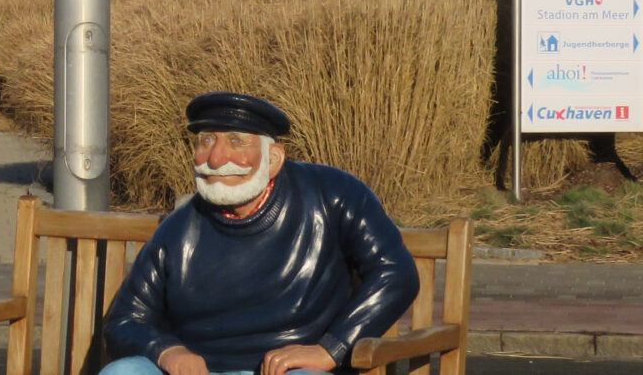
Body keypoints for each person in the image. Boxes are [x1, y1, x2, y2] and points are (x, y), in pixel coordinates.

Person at [101, 92, 418, 375]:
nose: (216, 158)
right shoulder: (178, 230)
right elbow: (127, 319)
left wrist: (331, 348)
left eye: (236, 142)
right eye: (207, 141)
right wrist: (168, 352)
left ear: (274, 159)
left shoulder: (332, 195)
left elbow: (395, 272)